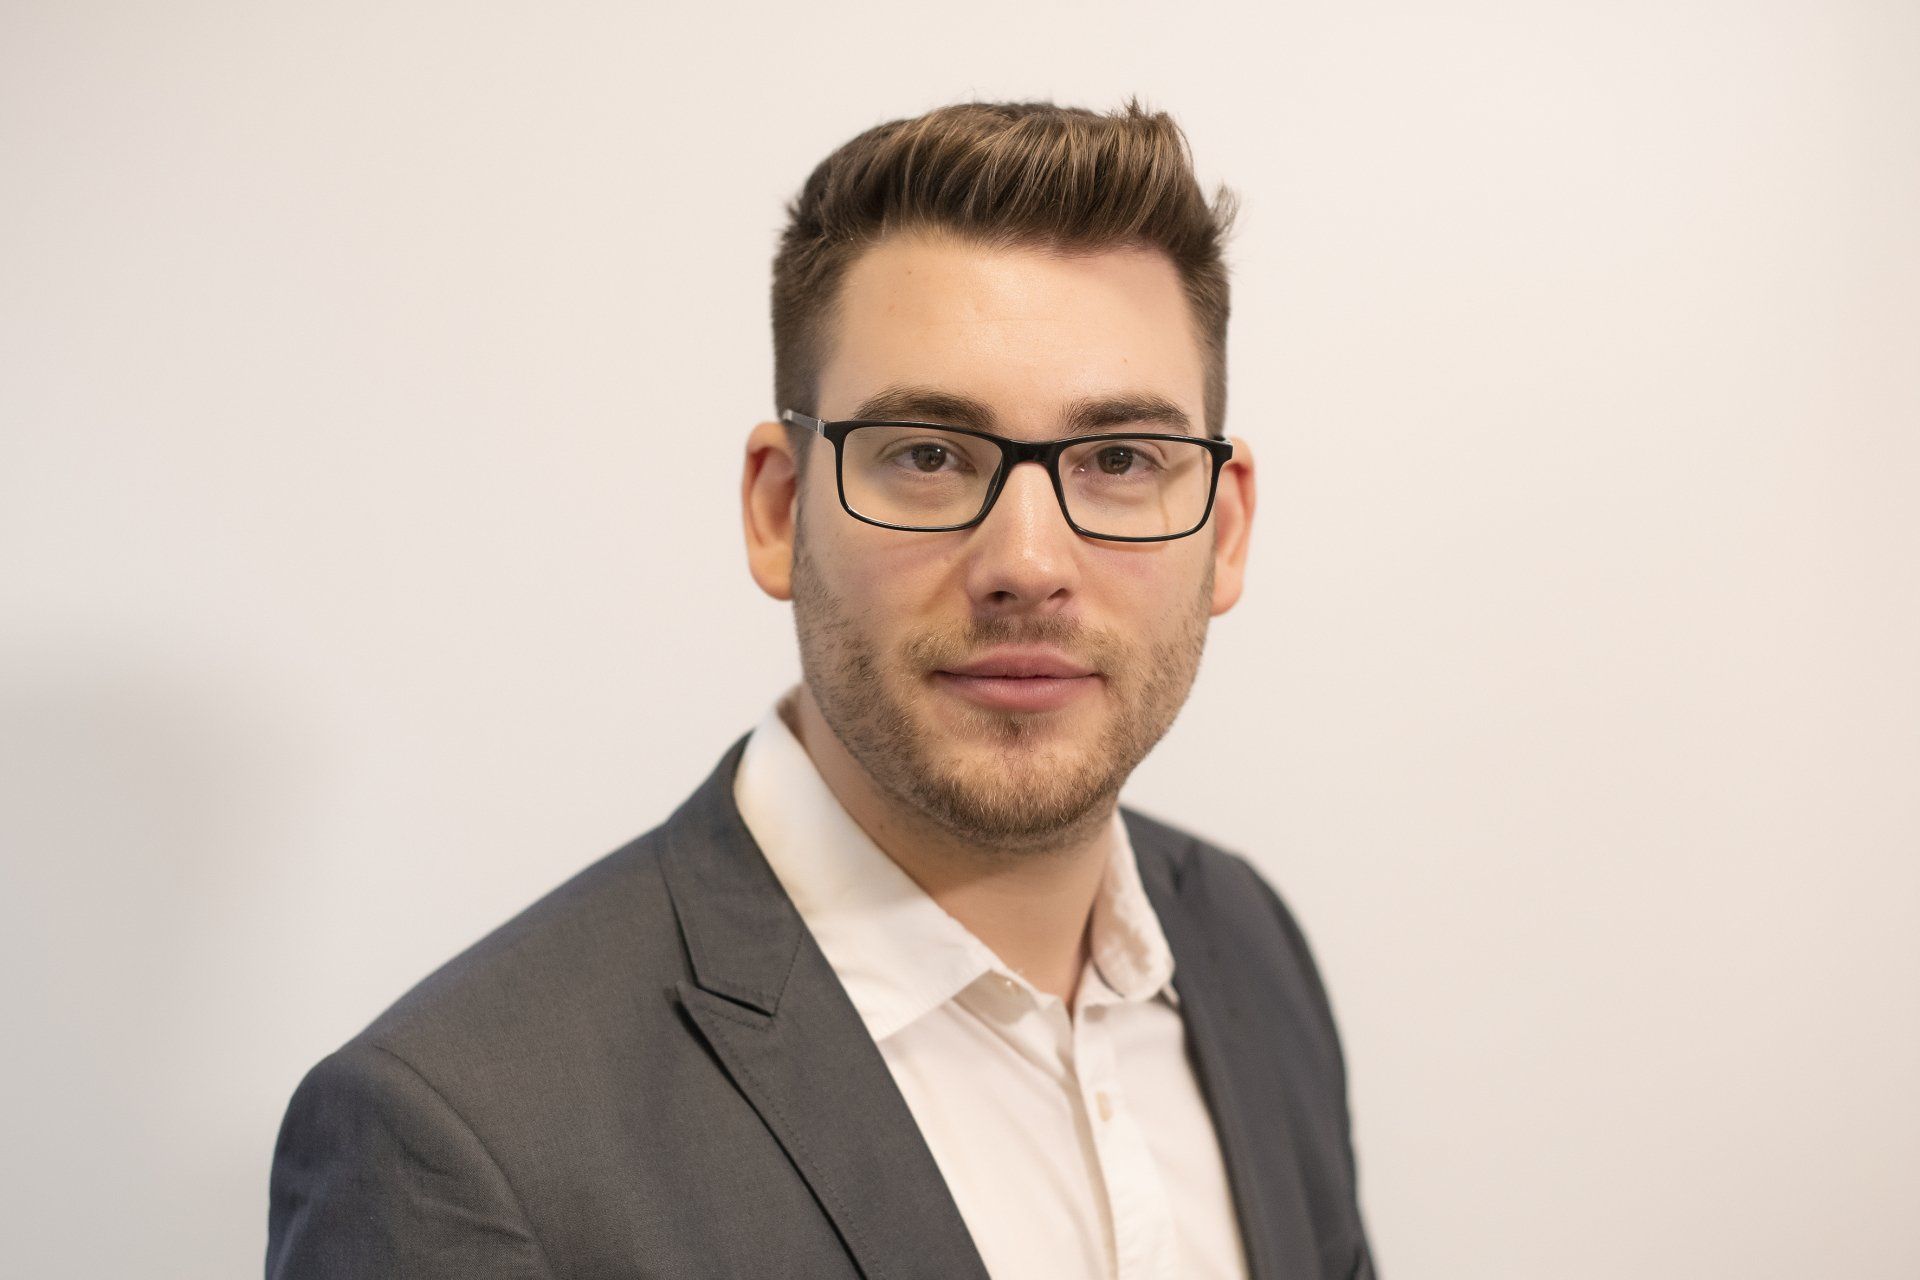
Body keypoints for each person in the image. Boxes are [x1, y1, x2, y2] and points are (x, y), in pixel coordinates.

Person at [267, 100, 1376, 1280]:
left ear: (1227, 526)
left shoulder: (1249, 944)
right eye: (927, 453)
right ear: (779, 508)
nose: (1029, 566)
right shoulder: (458, 1143)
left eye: (1118, 461)